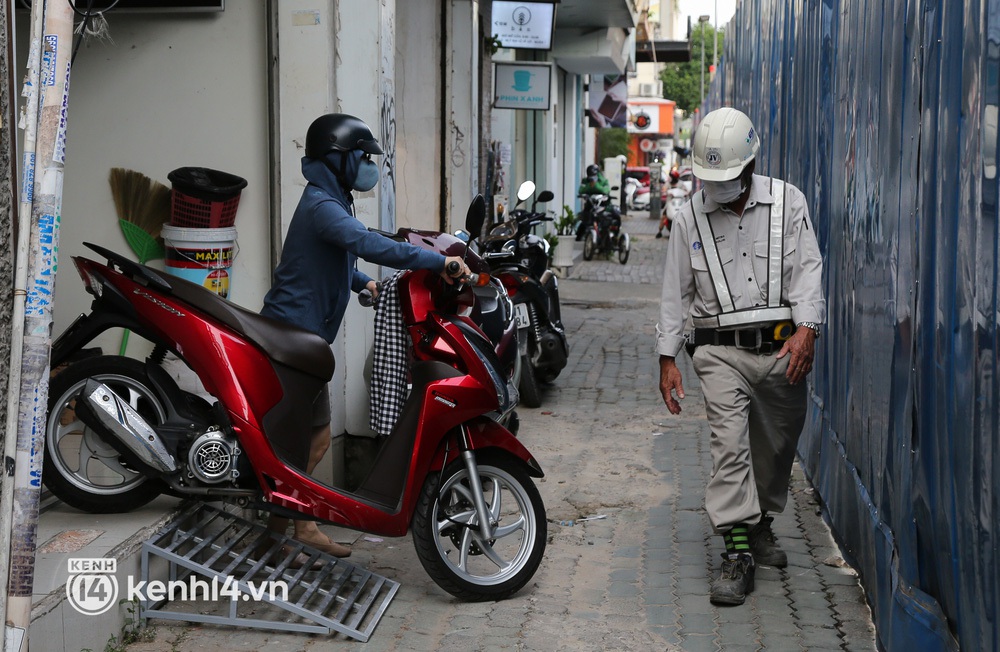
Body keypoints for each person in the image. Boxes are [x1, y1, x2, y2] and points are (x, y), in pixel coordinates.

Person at [260, 113, 469, 560]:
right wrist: (437, 261)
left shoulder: (331, 201)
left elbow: (334, 258)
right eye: (361, 157)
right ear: (339, 161)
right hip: (290, 339)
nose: (369, 167)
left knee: (314, 442)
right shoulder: (322, 206)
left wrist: (362, 284)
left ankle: (291, 529)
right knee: (298, 443)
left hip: (308, 342)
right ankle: (286, 533)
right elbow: (368, 244)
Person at [655, 107, 825, 606]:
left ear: (750, 165)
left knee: (776, 446)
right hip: (719, 354)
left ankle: (760, 523)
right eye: (710, 178)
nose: (718, 187)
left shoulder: (789, 202)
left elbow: (809, 270)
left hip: (782, 351)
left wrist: (808, 329)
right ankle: (736, 551)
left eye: (726, 177)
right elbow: (674, 293)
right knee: (729, 447)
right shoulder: (688, 217)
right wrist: (667, 357)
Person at [576, 164, 612, 241]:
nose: (591, 177)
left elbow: (605, 190)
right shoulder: (585, 181)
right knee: (584, 220)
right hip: (590, 205)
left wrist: (595, 185)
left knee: (604, 221)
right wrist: (590, 185)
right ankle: (579, 238)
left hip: (602, 205)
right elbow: (581, 190)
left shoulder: (603, 181)